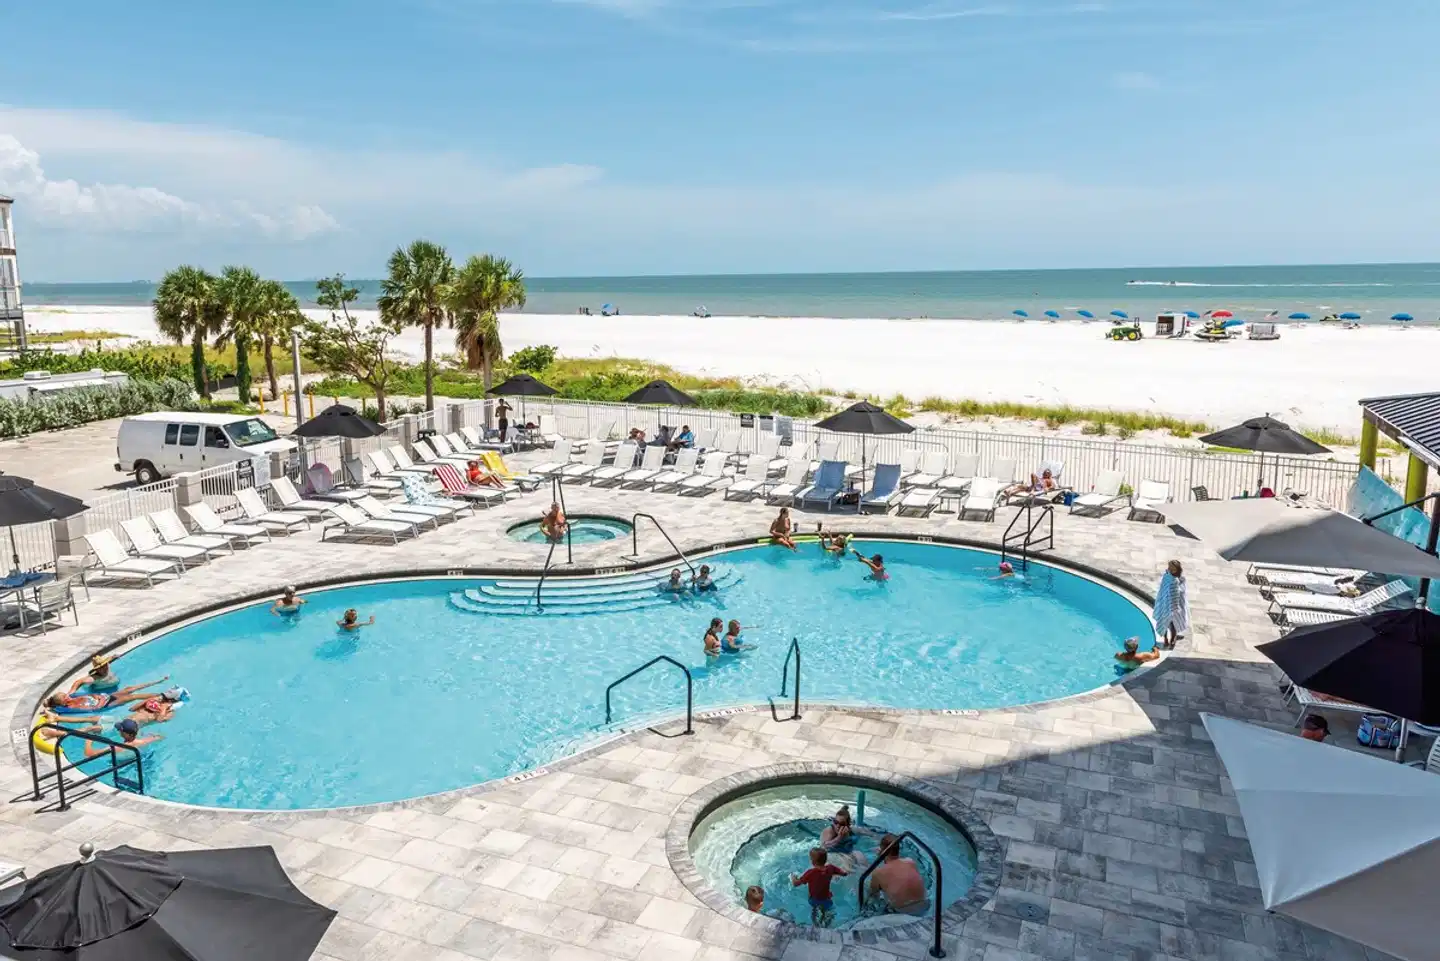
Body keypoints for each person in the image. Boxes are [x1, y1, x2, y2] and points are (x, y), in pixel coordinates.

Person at [866, 835, 929, 916]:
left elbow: (874, 897)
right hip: (924, 906)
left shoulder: (878, 872)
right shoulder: (910, 861)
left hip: (902, 913)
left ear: (882, 851)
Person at [46, 677, 169, 714]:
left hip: (104, 697)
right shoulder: (72, 707)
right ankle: (163, 697)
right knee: (132, 697)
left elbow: (77, 682)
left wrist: (97, 696)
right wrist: (100, 700)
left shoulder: (72, 697)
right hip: (105, 703)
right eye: (64, 697)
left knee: (129, 689)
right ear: (62, 703)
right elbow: (94, 708)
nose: (67, 696)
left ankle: (156, 681)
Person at [792, 847, 847, 927]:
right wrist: (834, 874)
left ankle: (816, 924)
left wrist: (793, 877)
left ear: (812, 861)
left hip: (813, 900)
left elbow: (795, 884)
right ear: (825, 860)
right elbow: (844, 873)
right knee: (827, 912)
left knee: (814, 911)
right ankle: (827, 925)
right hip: (826, 899)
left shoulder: (810, 873)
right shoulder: (831, 868)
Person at [1153, 560, 1189, 649]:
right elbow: (1163, 588)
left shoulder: (1178, 580)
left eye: (1172, 569)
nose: (1170, 569)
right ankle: (1165, 639)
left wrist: (1175, 606)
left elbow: (1177, 593)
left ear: (1177, 569)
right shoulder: (1166, 576)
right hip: (1164, 602)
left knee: (1173, 623)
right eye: (1169, 567)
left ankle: (1173, 638)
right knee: (1163, 620)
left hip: (1174, 606)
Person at [87, 717, 162, 758]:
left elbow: (90, 754)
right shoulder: (145, 741)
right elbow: (160, 737)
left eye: (120, 730)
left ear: (128, 734)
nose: (119, 731)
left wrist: (89, 740)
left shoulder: (118, 748)